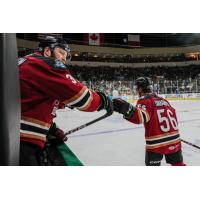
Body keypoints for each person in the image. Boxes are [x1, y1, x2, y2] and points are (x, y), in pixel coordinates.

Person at [19, 36, 113, 165]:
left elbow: (30, 102)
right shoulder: (44, 64)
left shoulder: (27, 62)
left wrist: (51, 129)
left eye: (66, 55)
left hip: (14, 134)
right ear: (47, 51)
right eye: (61, 52)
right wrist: (103, 100)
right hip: (23, 141)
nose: (64, 58)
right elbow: (83, 99)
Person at [113, 77, 185, 166]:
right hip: (175, 140)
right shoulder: (163, 100)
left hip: (156, 143)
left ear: (139, 89)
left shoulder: (145, 100)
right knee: (179, 165)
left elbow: (141, 117)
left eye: (137, 88)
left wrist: (125, 108)